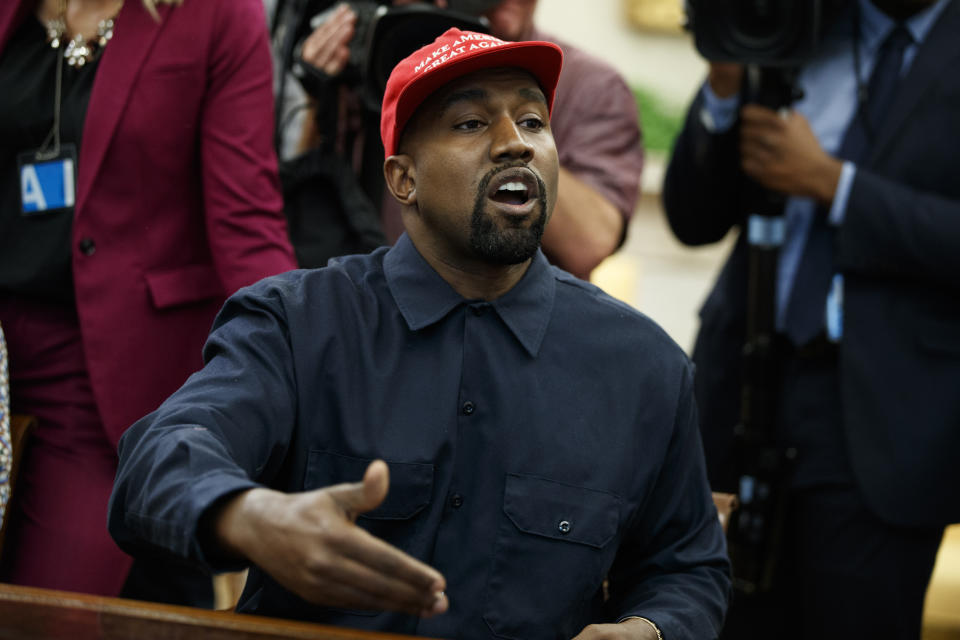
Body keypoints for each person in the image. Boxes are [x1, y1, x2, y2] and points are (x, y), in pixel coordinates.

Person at [109, 28, 730, 639]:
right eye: (470, 124)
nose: (515, 144)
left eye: (534, 122)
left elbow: (688, 567)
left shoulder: (643, 365)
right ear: (403, 178)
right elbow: (158, 462)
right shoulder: (299, 322)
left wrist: (650, 629)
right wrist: (251, 515)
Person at [662, 0, 960, 638]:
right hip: (736, 392)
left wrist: (837, 184)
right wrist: (723, 87)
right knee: (706, 615)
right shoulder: (794, 21)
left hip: (886, 422)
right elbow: (692, 218)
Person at [0, 0, 297, 601]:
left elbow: (247, 225)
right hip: (1, 348)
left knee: (49, 609)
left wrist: (308, 364)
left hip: (102, 375)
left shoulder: (217, 17)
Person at [294, 0, 643, 279]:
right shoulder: (387, 55)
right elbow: (307, 212)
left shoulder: (589, 84)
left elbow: (590, 243)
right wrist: (321, 92)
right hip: (387, 316)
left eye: (533, 121)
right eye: (470, 123)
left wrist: (512, 133)